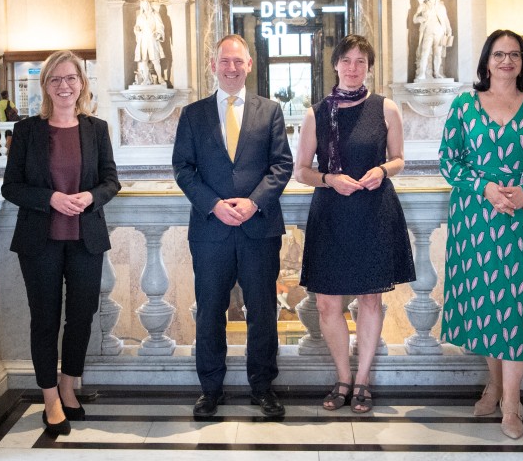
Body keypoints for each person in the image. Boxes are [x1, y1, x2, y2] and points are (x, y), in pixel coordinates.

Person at [438, 29, 523, 439]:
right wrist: (485, 188)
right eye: (498, 54)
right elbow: (449, 162)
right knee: (489, 308)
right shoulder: (464, 106)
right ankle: (494, 384)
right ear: (486, 61)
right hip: (477, 220)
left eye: (513, 55)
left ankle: (512, 404)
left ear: (522, 62)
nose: (506, 61)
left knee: (519, 309)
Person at [172, 34, 293, 418]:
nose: (231, 68)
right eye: (225, 61)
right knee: (210, 311)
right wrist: (214, 205)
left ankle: (263, 387)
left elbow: (282, 165)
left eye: (238, 62)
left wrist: (254, 202)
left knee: (262, 310)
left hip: (259, 228)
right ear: (213, 65)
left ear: (249, 66)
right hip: (211, 230)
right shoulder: (193, 115)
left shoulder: (270, 110)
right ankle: (210, 389)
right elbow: (183, 168)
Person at [1, 50, 120, 436]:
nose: (64, 86)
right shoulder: (27, 131)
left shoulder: (96, 128)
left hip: (85, 238)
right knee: (45, 320)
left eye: (71, 78)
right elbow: (11, 187)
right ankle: (50, 398)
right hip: (41, 241)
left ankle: (69, 386)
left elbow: (110, 180)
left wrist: (91, 197)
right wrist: (49, 198)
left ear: (82, 84)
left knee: (82, 317)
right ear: (45, 86)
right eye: (56, 79)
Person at [295, 34, 415, 414]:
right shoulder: (317, 112)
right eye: (346, 60)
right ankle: (342, 377)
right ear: (335, 65)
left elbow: (398, 159)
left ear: (369, 66)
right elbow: (301, 171)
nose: (352, 68)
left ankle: (362, 380)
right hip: (331, 213)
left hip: (373, 210)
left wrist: (382, 169)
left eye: (360, 61)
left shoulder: (386, 108)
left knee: (370, 298)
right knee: (328, 304)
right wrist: (330, 178)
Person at [413, 0, 452, 80]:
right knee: (424, 52)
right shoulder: (423, 6)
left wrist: (449, 29)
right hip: (428, 31)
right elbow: (414, 18)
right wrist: (421, 18)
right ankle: (422, 73)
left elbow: (445, 19)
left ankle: (436, 73)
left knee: (437, 53)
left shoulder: (441, 7)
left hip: (439, 31)